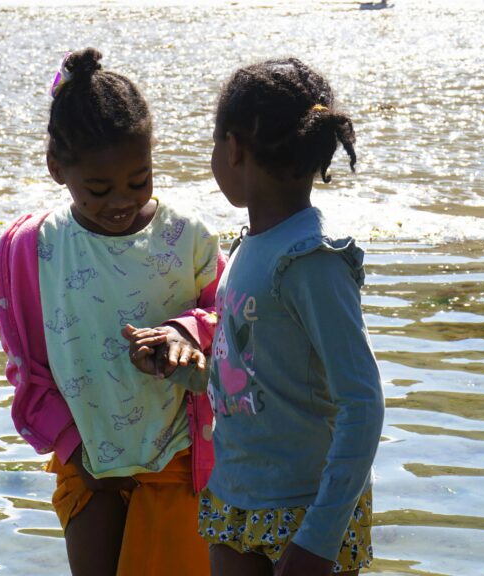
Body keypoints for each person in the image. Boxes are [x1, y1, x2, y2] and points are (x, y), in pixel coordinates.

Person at [129, 58, 384, 576]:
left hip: (305, 509)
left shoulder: (311, 261)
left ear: (234, 148)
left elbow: (363, 404)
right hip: (235, 494)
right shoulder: (250, 250)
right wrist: (185, 370)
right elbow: (255, 380)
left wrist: (320, 537)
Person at [0, 48, 223, 576]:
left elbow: (229, 321)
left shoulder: (187, 237)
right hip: (86, 462)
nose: (121, 199)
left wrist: (181, 334)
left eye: (139, 180)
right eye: (98, 189)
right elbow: (25, 367)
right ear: (57, 169)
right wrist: (74, 448)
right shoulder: (31, 249)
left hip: (181, 461)